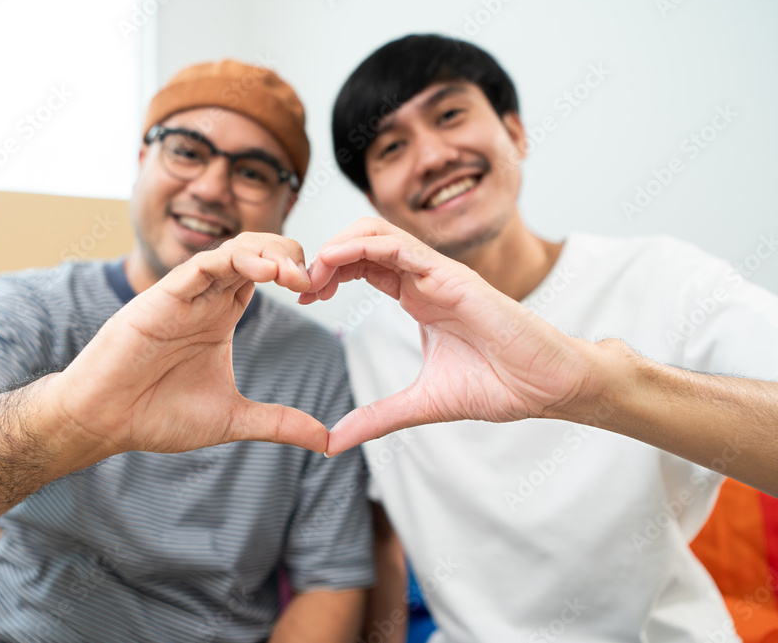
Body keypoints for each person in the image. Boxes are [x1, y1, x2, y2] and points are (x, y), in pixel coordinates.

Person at [0, 59, 375, 643]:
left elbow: (330, 582)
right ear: (142, 160)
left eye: (252, 172)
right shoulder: (35, 306)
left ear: (288, 202)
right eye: (187, 151)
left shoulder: (316, 361)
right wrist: (70, 417)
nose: (210, 188)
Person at [316, 34, 778, 642]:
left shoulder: (662, 280)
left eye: (449, 114)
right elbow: (375, 538)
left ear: (515, 132)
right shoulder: (365, 351)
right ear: (374, 200)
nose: (430, 156)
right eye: (391, 147)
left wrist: (599, 388)